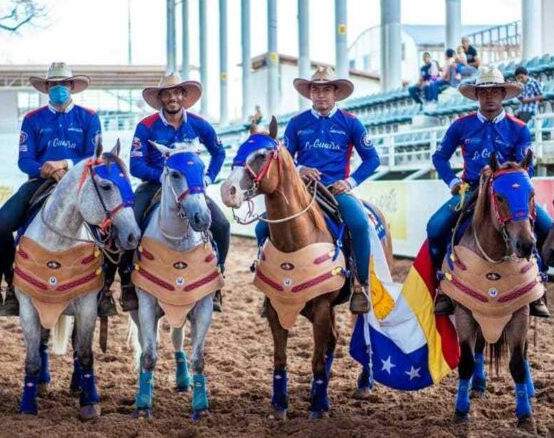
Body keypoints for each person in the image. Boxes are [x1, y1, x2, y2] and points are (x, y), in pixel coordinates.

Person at [427, 67, 552, 318]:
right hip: (471, 190)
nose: (490, 97)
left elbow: (526, 165)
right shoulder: (461, 126)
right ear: (477, 96)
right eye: (484, 92)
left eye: (495, 91)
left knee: (547, 227)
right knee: (436, 227)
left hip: (507, 192)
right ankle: (441, 285)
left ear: (503, 94)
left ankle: (539, 285)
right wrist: (452, 181)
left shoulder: (518, 128)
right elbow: (440, 157)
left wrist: (500, 175)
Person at [255, 67, 381, 314]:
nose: (321, 94)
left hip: (335, 189)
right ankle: (268, 286)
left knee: (358, 224)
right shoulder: (297, 123)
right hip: (301, 191)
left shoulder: (351, 122)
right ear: (309, 93)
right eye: (315, 89)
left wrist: (351, 182)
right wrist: (300, 168)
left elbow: (372, 159)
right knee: (262, 227)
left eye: (326, 89)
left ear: (335, 93)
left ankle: (360, 284)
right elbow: (284, 158)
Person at [0, 63, 101, 315]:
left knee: (109, 226)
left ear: (72, 86)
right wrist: (45, 169)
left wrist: (65, 164)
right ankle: (4, 284)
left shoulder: (89, 117)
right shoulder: (32, 119)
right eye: (53, 84)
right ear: (47, 87)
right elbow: (24, 160)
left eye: (64, 83)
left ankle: (107, 290)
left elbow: (93, 155)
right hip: (40, 182)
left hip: (79, 182)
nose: (59, 88)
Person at [119, 72, 229, 312]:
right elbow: (136, 164)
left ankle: (218, 275)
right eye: (167, 93)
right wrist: (162, 177)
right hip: (155, 184)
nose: (173, 98)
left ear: (184, 96)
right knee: (131, 225)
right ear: (161, 98)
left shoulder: (200, 124)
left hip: (190, 187)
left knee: (221, 225)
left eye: (177, 93)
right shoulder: (146, 126)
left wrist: (208, 177)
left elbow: (219, 153)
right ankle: (127, 282)